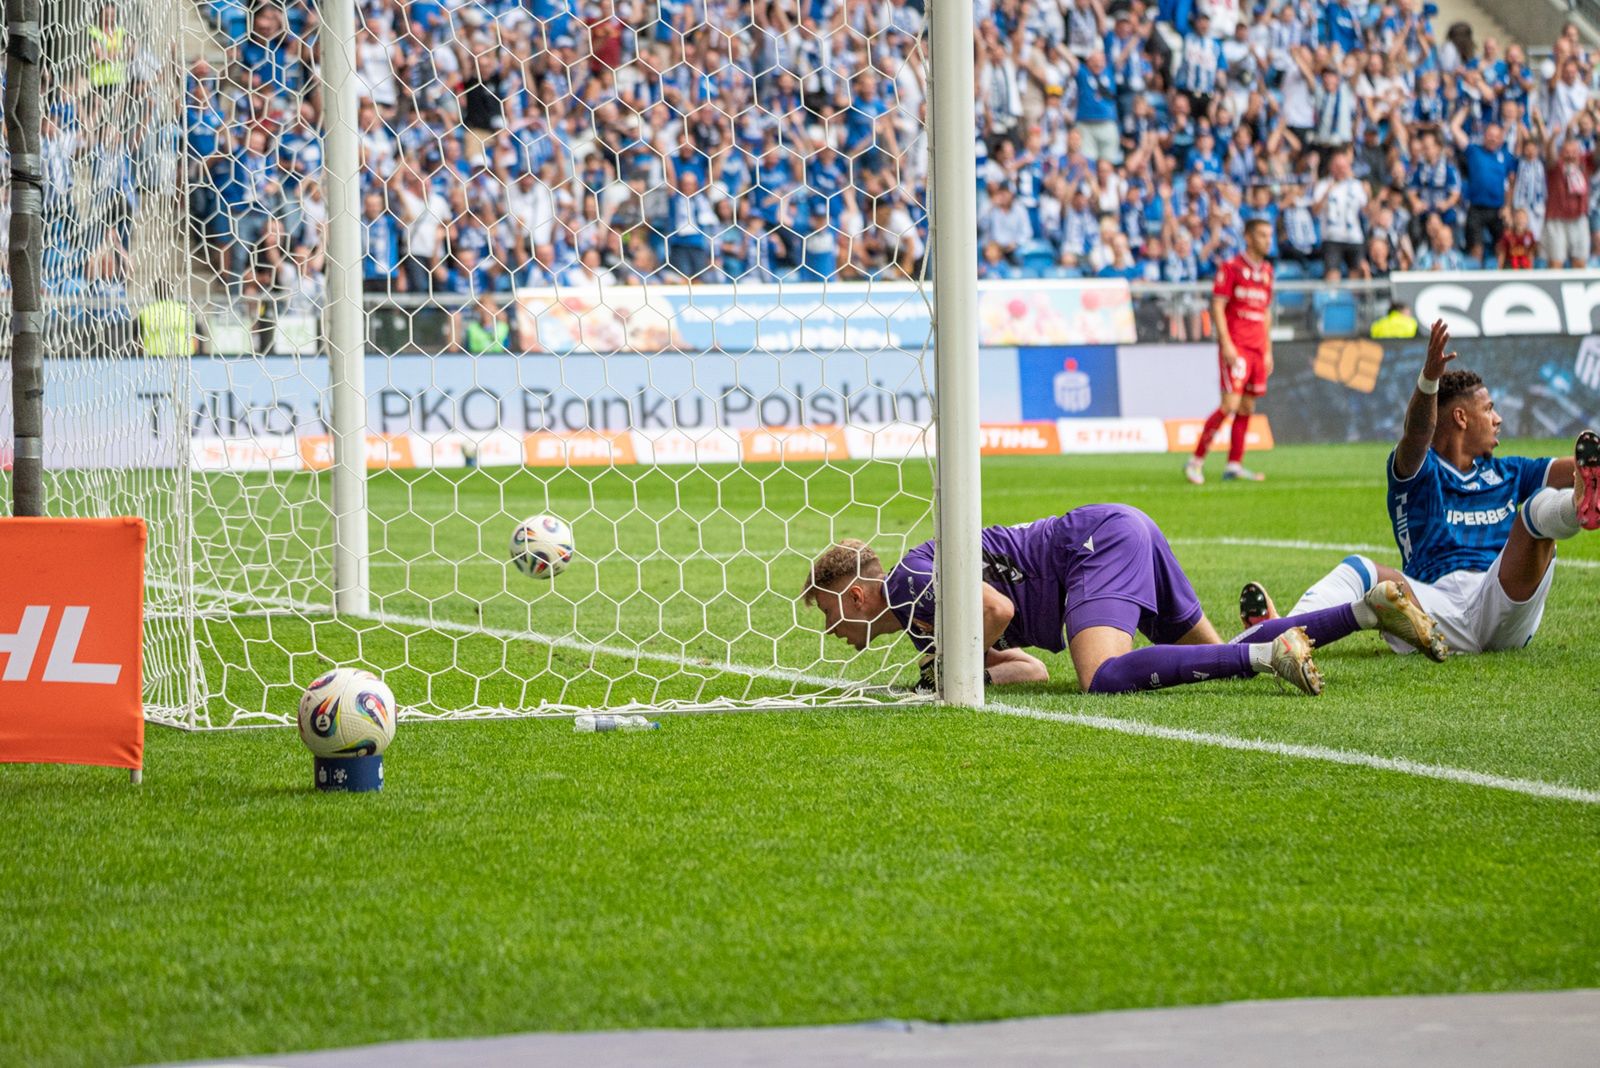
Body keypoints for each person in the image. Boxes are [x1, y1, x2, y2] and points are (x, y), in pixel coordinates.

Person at [801, 504, 1450, 697]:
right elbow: (1024, 665)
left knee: (1104, 677)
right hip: (1114, 530)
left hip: (1092, 548)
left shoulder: (911, 582)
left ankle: (1268, 651)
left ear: (857, 595)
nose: (831, 631)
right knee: (1217, 652)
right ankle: (1368, 610)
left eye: (829, 613)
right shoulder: (921, 623)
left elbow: (995, 613)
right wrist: (957, 669)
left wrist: (943, 669)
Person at [1242, 320, 1600, 655]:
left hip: (1500, 598)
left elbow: (1582, 465)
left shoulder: (1511, 471)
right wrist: (1429, 379)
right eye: (1489, 409)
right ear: (1461, 418)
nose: (1498, 418)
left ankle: (1579, 507)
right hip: (1430, 608)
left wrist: (1588, 471)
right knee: (1359, 570)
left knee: (1541, 506)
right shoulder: (1417, 470)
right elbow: (1416, 434)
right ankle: (1277, 636)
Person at [1186, 217, 1273, 485]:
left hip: (1258, 348)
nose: (1267, 240)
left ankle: (1234, 464)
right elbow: (1218, 306)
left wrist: (1268, 349)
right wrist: (1226, 343)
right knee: (1229, 405)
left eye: (1269, 236)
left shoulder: (1268, 270)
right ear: (1247, 237)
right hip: (1237, 346)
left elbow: (1265, 312)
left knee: (1247, 405)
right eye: (1261, 235)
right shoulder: (1231, 267)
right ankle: (1196, 460)